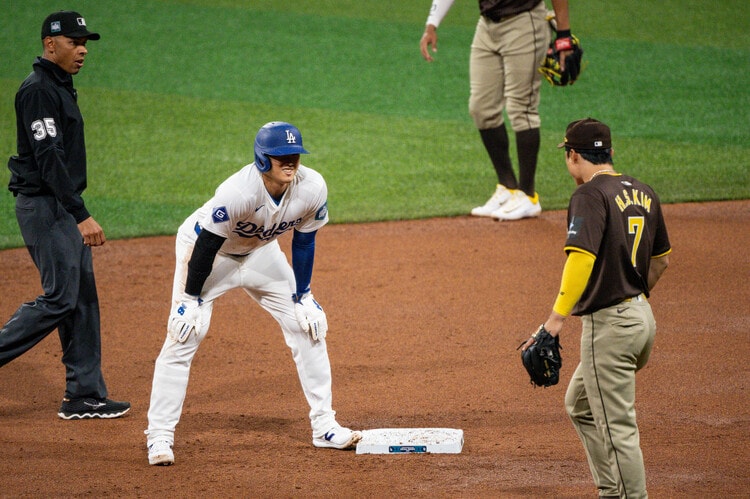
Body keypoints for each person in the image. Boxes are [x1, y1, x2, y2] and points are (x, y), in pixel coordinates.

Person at [145, 121, 362, 466]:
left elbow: (304, 241)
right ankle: (159, 436)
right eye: (281, 157)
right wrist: (189, 300)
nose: (290, 162)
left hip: (262, 253)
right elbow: (206, 245)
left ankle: (324, 427)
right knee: (185, 333)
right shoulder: (238, 192)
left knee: (308, 325)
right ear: (263, 160)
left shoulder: (312, 187)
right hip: (209, 255)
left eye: (294, 155)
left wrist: (303, 294)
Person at [521, 118, 671, 498]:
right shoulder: (643, 191)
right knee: (581, 405)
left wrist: (554, 322)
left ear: (573, 155)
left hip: (610, 329)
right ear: (610, 153)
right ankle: (611, 491)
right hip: (641, 321)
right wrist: (631, 295)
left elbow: (581, 259)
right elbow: (661, 261)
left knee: (618, 427)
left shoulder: (588, 195)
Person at [1, 11, 130, 420]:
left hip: (58, 204)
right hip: (46, 206)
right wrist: (81, 214)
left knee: (82, 299)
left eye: (84, 42)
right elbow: (48, 156)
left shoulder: (59, 86)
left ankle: (84, 394)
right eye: (75, 42)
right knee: (59, 297)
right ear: (49, 44)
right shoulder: (38, 90)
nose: (83, 50)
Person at [420, 0, 575, 220]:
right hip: (487, 26)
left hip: (524, 21)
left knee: (522, 109)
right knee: (481, 109)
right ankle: (508, 187)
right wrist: (431, 24)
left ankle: (528, 195)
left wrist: (564, 34)